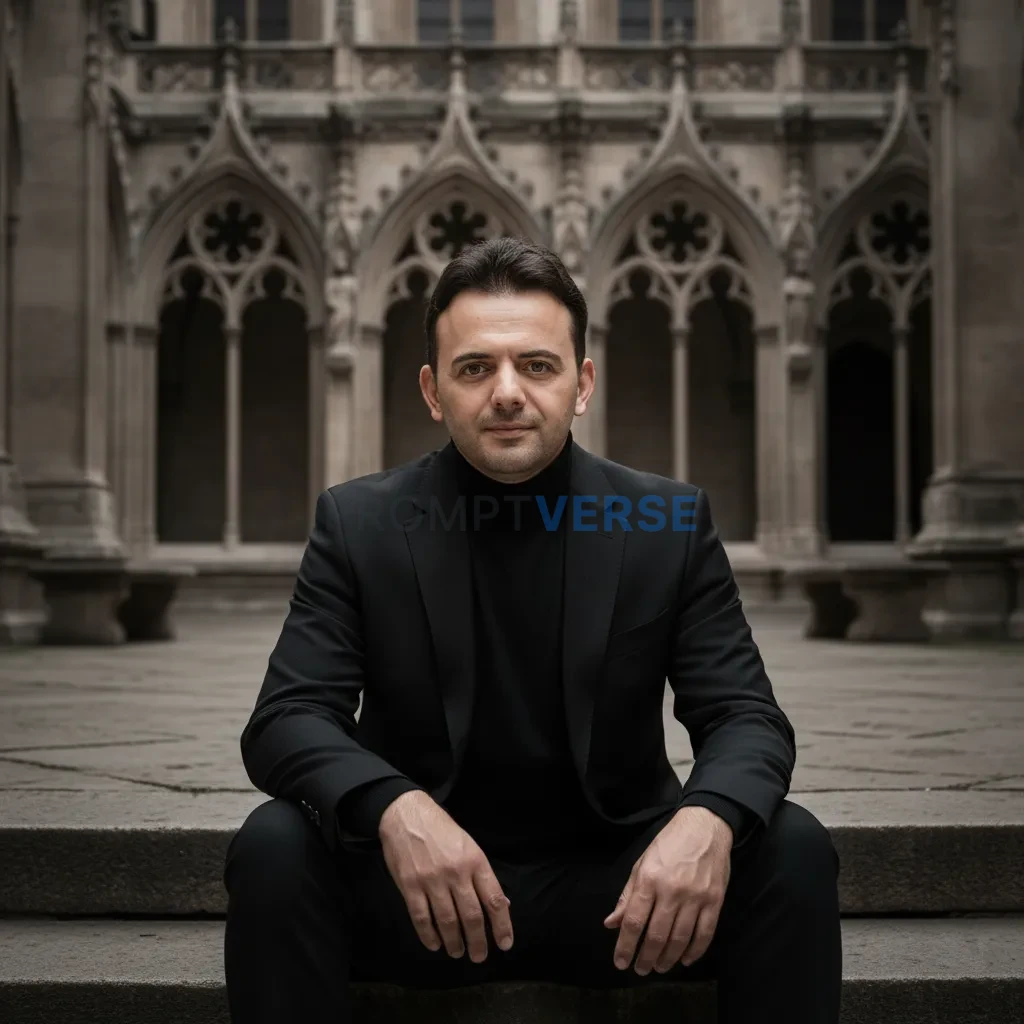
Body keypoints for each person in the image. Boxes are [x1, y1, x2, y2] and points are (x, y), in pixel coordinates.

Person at [224, 236, 841, 1023]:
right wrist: (394, 808)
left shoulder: (666, 522)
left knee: (791, 846)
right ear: (432, 389)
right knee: (274, 846)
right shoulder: (362, 522)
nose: (507, 392)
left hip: (625, 902)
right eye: (475, 367)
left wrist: (705, 819)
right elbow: (285, 719)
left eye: (537, 365)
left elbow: (746, 717)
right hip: (423, 899)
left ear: (582, 384)